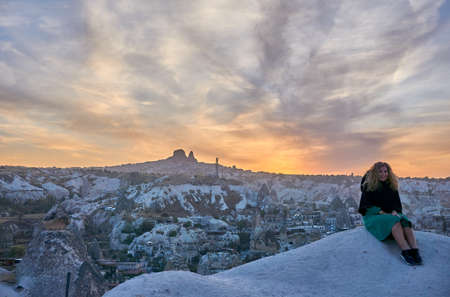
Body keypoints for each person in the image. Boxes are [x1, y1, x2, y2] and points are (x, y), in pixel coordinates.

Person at [358, 161, 423, 265]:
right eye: (380, 172)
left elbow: (396, 204)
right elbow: (364, 206)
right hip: (373, 215)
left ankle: (415, 250)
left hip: (389, 214)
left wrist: (394, 210)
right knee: (395, 222)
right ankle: (405, 251)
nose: (383, 174)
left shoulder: (391, 186)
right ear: (375, 173)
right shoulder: (369, 186)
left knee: (405, 221)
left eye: (385, 171)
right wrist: (382, 212)